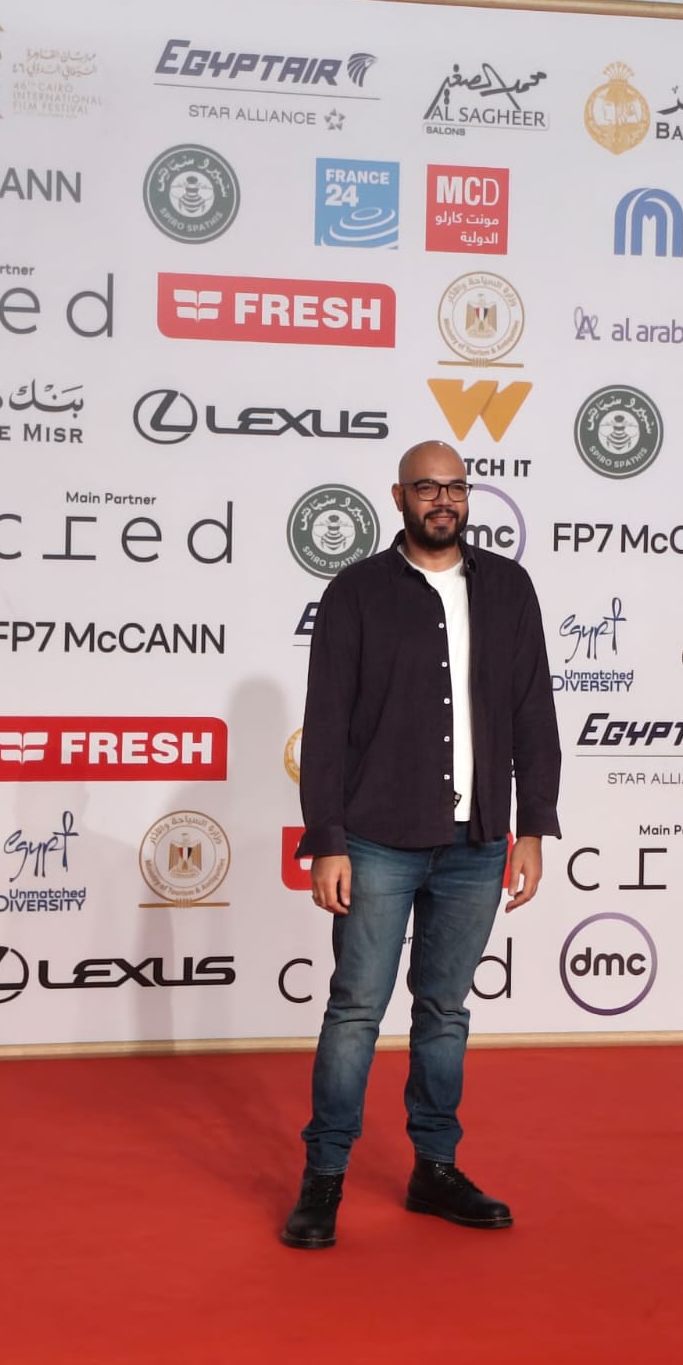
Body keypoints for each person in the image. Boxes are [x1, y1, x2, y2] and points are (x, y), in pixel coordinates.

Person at [281, 440, 561, 1249]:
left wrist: (533, 827)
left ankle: (435, 1168)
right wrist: (327, 841)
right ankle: (324, 1176)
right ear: (398, 496)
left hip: (478, 843)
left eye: (456, 487)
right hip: (376, 840)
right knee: (356, 1010)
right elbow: (326, 723)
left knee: (445, 1012)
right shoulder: (356, 591)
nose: (444, 500)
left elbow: (533, 712)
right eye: (427, 488)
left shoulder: (508, 588)